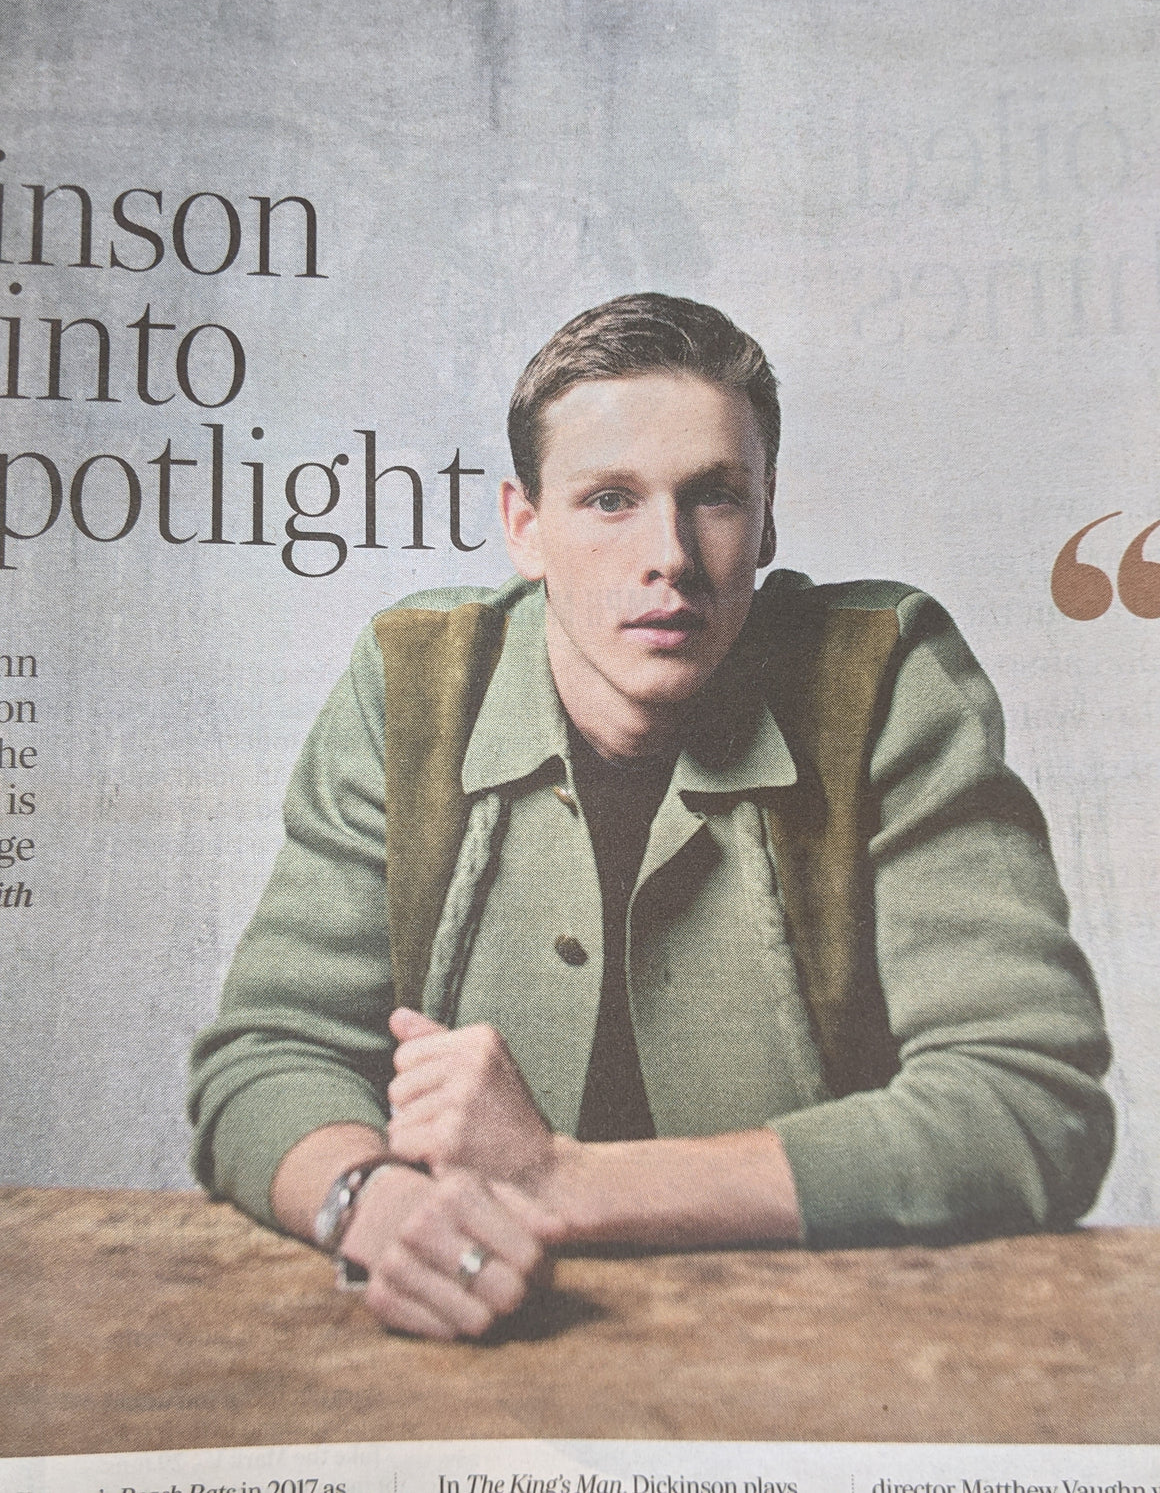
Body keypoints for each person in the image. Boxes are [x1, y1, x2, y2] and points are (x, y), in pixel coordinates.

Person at [188, 293, 1114, 1341]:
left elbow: (1028, 1101)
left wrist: (566, 1181)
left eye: (713, 495)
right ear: (525, 527)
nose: (668, 552)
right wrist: (376, 1202)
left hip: (817, 1344)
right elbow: (266, 1055)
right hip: (475, 1347)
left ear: (766, 517)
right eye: (609, 499)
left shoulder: (886, 677)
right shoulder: (411, 685)